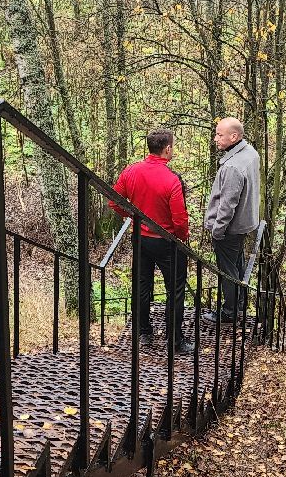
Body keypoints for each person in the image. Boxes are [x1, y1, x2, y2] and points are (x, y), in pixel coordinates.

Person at [110, 128, 193, 354]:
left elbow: (114, 201)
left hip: (141, 239)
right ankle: (175, 340)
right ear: (167, 149)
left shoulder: (131, 171)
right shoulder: (171, 180)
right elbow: (179, 218)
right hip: (166, 241)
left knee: (142, 285)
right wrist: (181, 238)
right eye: (172, 147)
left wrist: (133, 216)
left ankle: (144, 333)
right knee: (174, 289)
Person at [204, 118, 260, 322]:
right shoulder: (250, 153)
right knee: (237, 265)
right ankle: (239, 304)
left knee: (227, 271)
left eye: (219, 135)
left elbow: (227, 205)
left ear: (234, 136)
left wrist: (217, 231)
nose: (215, 139)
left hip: (230, 229)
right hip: (244, 224)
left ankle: (229, 312)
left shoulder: (233, 167)